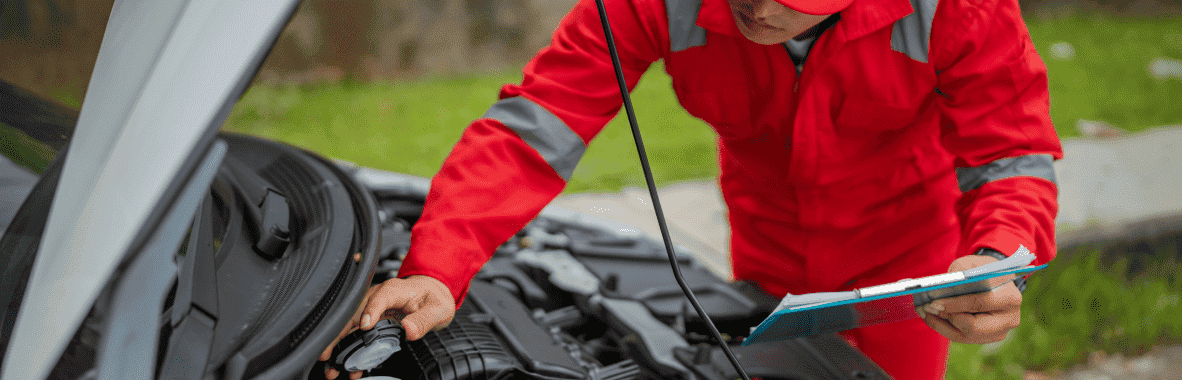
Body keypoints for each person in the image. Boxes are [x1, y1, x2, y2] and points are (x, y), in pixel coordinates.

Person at [319, 0, 1062, 377]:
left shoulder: (957, 7)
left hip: (912, 265)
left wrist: (994, 259)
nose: (763, 7)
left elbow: (1013, 151)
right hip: (767, 247)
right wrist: (437, 264)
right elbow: (538, 123)